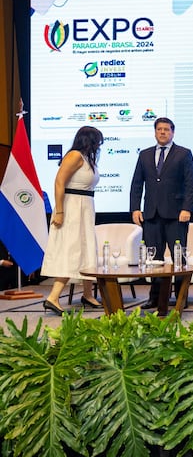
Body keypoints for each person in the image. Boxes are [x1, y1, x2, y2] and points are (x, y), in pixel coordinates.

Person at [130, 117, 193, 311]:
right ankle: (155, 297)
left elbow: (190, 184)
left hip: (176, 215)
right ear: (155, 132)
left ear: (172, 132)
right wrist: (135, 208)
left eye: (166, 130)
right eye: (159, 129)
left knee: (178, 259)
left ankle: (180, 298)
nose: (162, 132)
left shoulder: (183, 154)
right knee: (153, 258)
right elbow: (136, 183)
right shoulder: (144, 155)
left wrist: (187, 209)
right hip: (151, 215)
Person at [40, 126, 103, 315]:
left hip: (85, 207)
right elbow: (59, 182)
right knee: (72, 250)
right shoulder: (74, 155)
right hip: (72, 208)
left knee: (86, 249)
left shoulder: (88, 158)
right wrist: (59, 212)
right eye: (97, 141)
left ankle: (87, 294)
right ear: (88, 140)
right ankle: (53, 297)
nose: (99, 145)